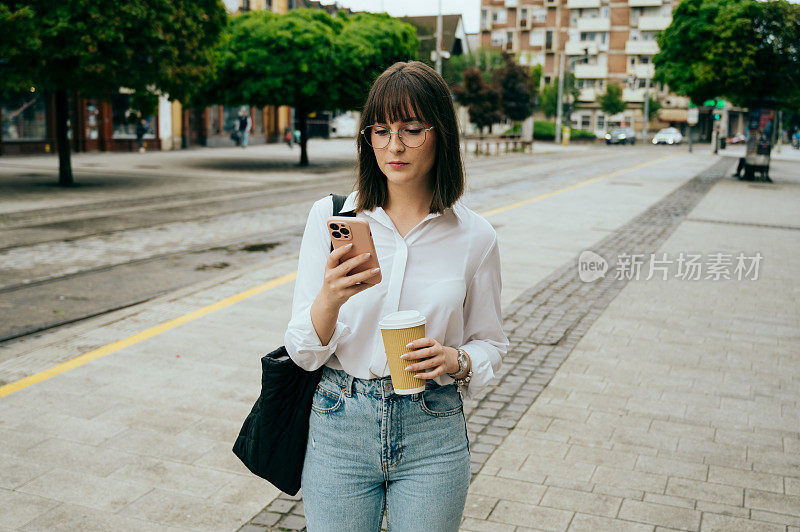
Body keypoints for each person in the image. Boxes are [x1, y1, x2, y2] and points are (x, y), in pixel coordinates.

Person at [284, 61, 509, 531]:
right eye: (380, 130)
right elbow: (302, 352)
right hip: (339, 421)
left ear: (440, 132)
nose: (394, 146)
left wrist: (456, 359)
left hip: (433, 425)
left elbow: (490, 343)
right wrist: (330, 297)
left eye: (411, 129)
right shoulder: (332, 219)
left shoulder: (476, 236)